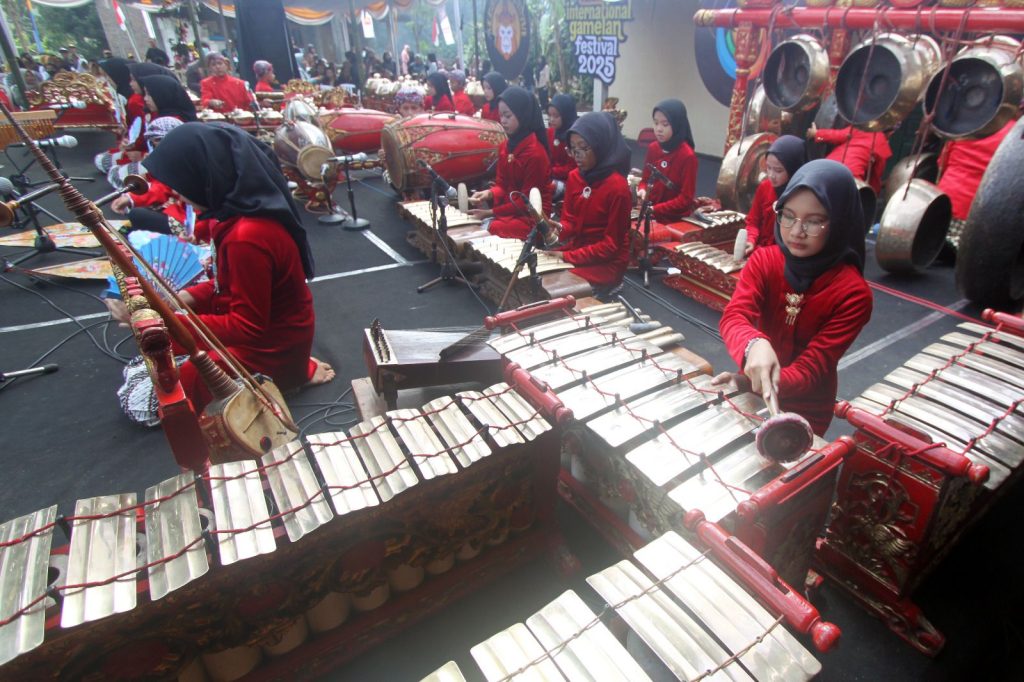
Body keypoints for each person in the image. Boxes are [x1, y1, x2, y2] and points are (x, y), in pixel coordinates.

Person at [109, 122, 335, 420]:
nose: (176, 192)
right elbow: (226, 286)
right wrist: (178, 299)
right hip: (271, 336)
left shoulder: (248, 235)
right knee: (149, 369)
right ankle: (291, 370)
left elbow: (246, 326)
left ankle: (288, 375)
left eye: (180, 181)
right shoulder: (231, 219)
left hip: (270, 348)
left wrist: (161, 323)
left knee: (144, 400)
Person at [714, 159, 873, 436]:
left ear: (839, 222)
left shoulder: (853, 294)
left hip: (807, 405)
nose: (797, 232)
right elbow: (735, 316)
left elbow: (812, 368)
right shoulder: (765, 260)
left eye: (814, 222)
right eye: (788, 215)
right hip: (756, 388)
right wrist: (753, 345)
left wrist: (752, 381)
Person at [552, 112, 632, 297]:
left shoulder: (618, 188)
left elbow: (611, 247)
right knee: (536, 267)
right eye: (573, 149)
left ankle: (608, 287)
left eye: (583, 148)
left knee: (555, 285)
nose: (577, 156)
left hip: (606, 263)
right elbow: (570, 222)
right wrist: (556, 228)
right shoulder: (574, 176)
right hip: (579, 250)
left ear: (600, 146)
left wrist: (566, 257)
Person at [468, 86, 552, 240]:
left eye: (508, 116)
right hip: (510, 212)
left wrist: (490, 213)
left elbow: (527, 204)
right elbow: (502, 185)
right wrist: (487, 194)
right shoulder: (505, 147)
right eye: (501, 115)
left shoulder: (536, 154)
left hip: (533, 218)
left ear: (523, 115)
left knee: (490, 228)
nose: (503, 121)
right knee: (484, 226)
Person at [936, 117, 1017, 251]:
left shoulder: (968, 124)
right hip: (980, 218)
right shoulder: (1016, 133)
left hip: (943, 206)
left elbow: (941, 163)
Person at [637, 99, 699, 222]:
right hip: (651, 212)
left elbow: (685, 199)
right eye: (655, 123)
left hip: (674, 218)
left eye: (665, 124)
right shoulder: (653, 148)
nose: (658, 129)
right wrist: (642, 190)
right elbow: (645, 179)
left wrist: (655, 209)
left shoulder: (688, 156)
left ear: (677, 125)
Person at [744, 135, 807, 256]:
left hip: (785, 256)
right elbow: (753, 221)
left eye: (778, 170)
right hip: (759, 251)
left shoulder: (802, 196)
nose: (771, 175)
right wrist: (750, 239)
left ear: (794, 168)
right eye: (768, 168)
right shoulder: (765, 187)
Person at [807, 123, 892, 194]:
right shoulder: (883, 147)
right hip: (850, 178)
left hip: (825, 167)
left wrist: (817, 134)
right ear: (891, 133)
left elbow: (837, 136)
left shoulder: (860, 129)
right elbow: (874, 183)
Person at [547, 94, 578, 183]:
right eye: (549, 115)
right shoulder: (550, 132)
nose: (551, 119)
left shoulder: (574, 136)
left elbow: (573, 167)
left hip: (570, 180)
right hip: (550, 176)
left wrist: (551, 171)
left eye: (556, 116)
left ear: (566, 115)